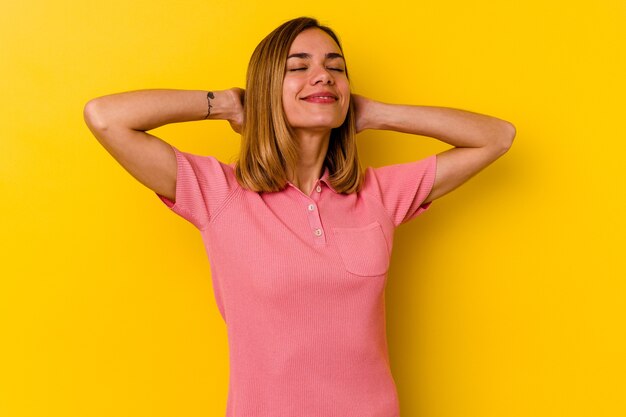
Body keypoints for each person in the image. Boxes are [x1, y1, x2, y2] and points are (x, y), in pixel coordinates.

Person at [83, 16, 515, 417]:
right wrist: (228, 104)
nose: (323, 75)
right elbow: (105, 118)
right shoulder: (219, 193)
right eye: (298, 66)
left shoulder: (379, 194)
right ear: (268, 86)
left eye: (336, 67)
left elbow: (497, 137)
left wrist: (375, 114)